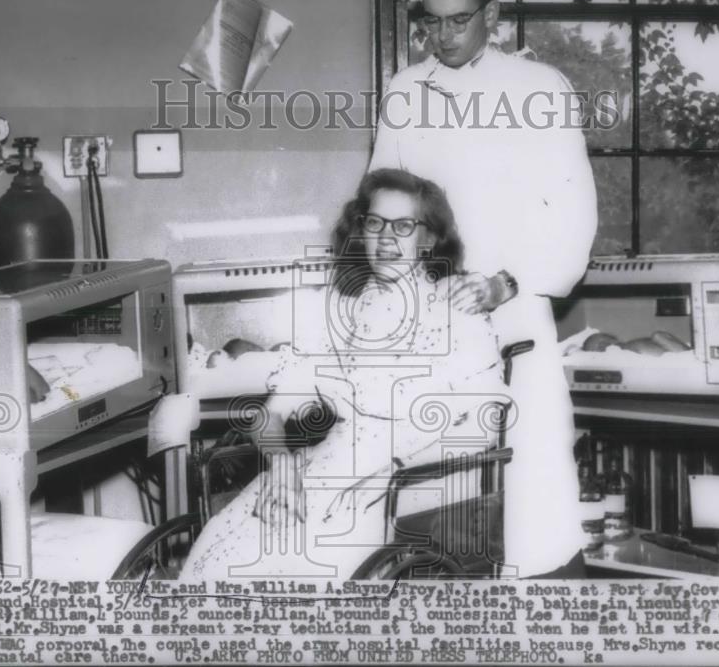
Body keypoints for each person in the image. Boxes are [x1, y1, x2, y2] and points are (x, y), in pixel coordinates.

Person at [369, 0, 598, 576]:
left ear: (491, 13)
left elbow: (575, 223)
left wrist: (507, 282)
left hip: (517, 320)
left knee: (533, 517)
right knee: (435, 527)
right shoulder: (405, 92)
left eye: (459, 20)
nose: (442, 36)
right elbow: (381, 208)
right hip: (429, 334)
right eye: (430, 21)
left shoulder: (541, 89)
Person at [181, 169, 508, 580]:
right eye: (375, 223)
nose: (386, 239)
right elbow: (271, 415)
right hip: (321, 471)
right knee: (224, 557)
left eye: (404, 225)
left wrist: (394, 465)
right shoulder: (336, 313)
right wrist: (282, 465)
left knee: (297, 568)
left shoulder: (456, 314)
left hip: (408, 487)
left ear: (428, 239)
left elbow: (485, 425)